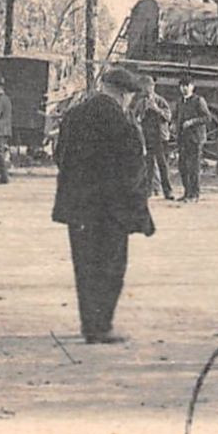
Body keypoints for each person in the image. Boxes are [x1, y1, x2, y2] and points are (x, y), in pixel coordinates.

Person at [51, 66, 154, 344]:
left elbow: (59, 156)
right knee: (110, 266)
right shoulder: (123, 123)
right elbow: (133, 170)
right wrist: (138, 210)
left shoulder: (74, 116)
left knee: (84, 266)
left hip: (78, 206)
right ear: (124, 94)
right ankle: (102, 326)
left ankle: (89, 325)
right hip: (110, 210)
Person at [134, 75, 174, 200]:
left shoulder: (160, 101)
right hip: (148, 137)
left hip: (160, 138)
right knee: (148, 165)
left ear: (153, 87)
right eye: (145, 87)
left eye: (149, 86)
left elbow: (168, 117)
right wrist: (141, 117)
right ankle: (148, 191)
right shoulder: (141, 103)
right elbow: (135, 118)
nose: (147, 90)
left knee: (163, 165)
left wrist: (157, 109)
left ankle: (168, 191)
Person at [175, 77, 211, 202]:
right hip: (183, 139)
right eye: (182, 85)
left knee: (193, 167)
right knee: (183, 167)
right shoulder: (180, 101)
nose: (184, 88)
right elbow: (177, 117)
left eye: (187, 85)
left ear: (192, 87)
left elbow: (207, 118)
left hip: (195, 139)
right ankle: (187, 192)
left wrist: (192, 122)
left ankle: (194, 194)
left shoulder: (198, 100)